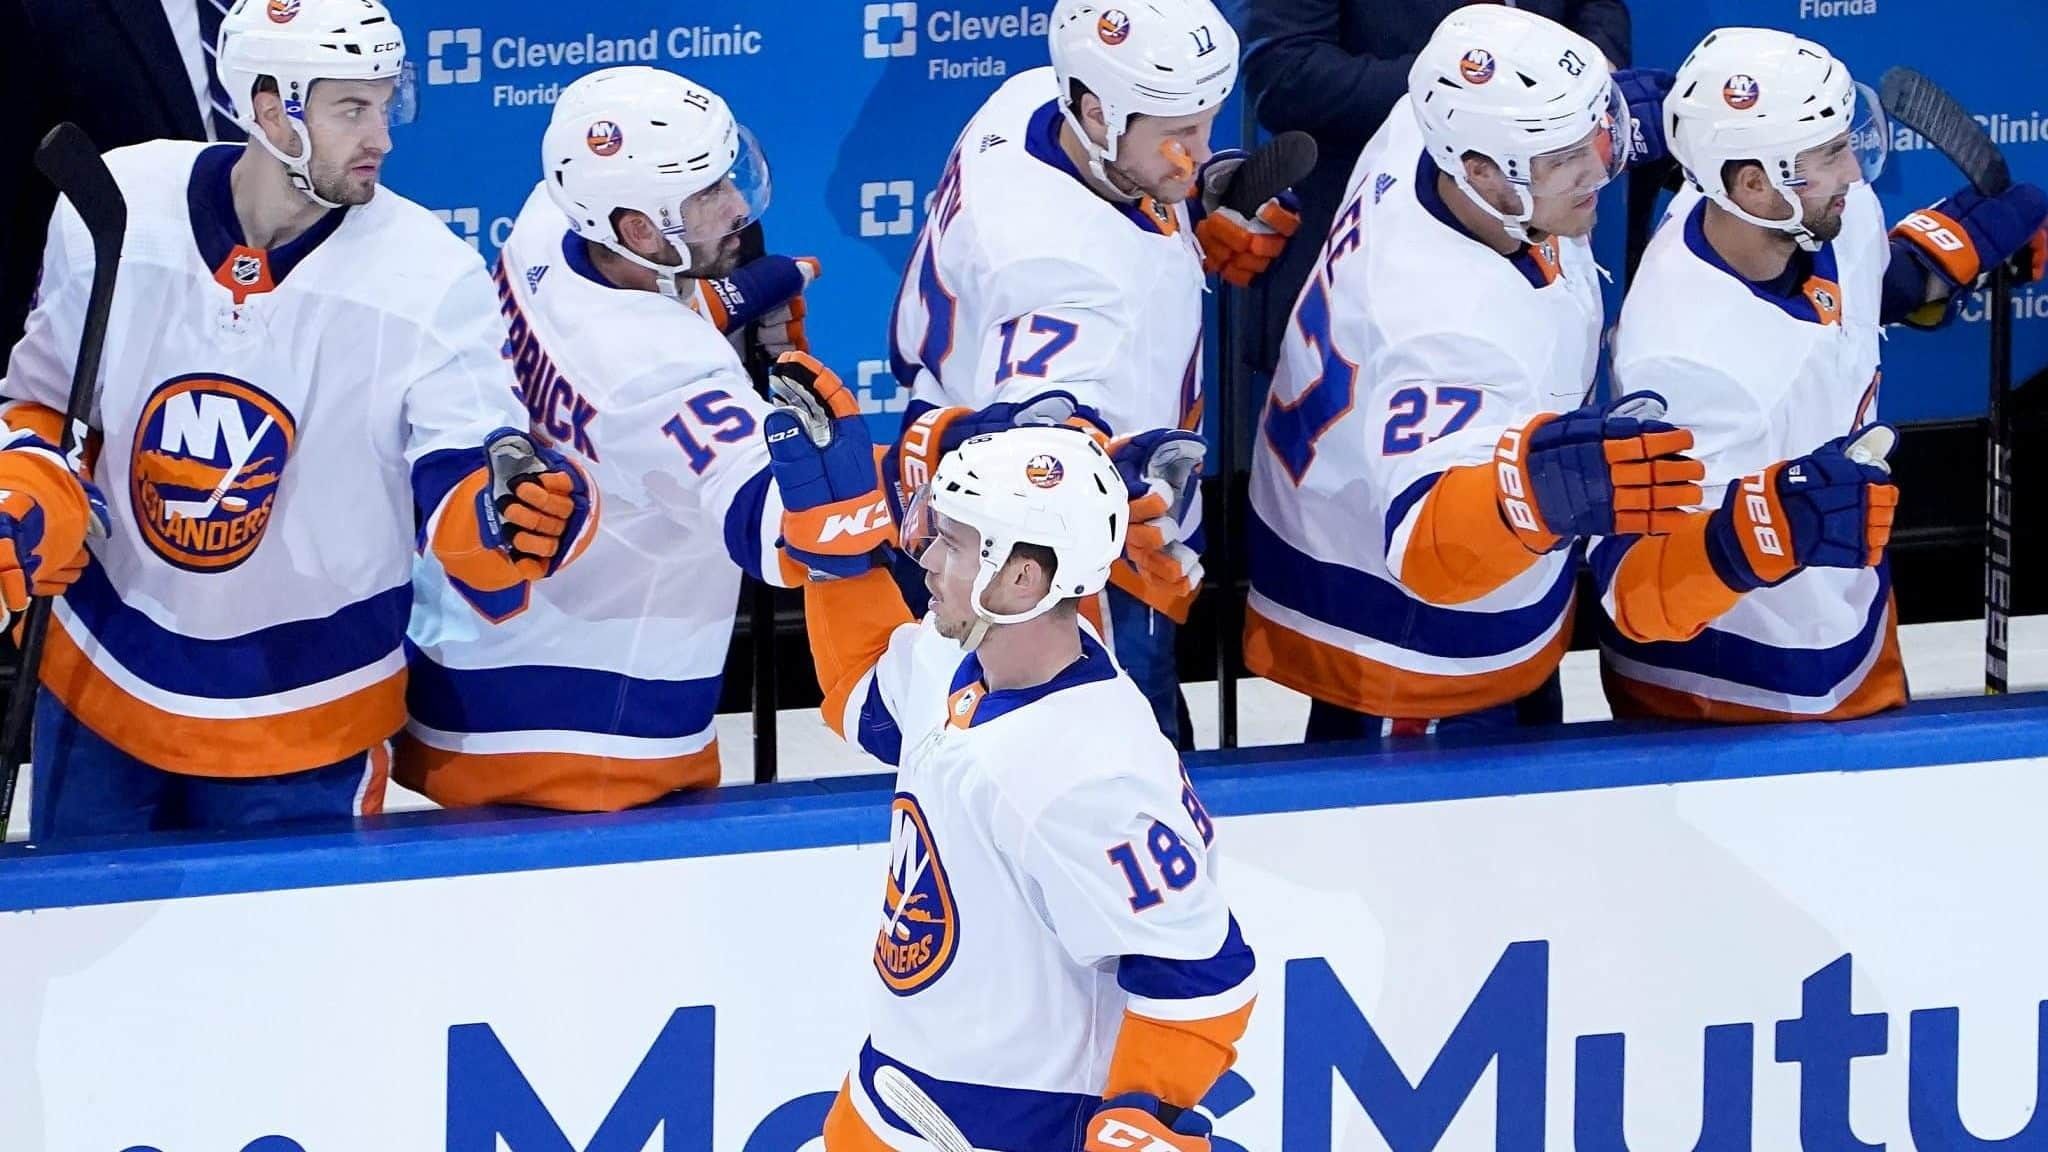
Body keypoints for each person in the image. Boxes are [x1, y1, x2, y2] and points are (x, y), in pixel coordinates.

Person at [0, 0, 591, 838]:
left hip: (306, 707)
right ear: (271, 109)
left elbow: (471, 465)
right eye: (351, 109)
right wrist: (28, 475)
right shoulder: (118, 201)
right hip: (103, 678)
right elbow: (45, 403)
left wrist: (507, 520)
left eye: (385, 103)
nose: (381, 138)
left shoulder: (431, 276)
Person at [757, 356, 1256, 1152]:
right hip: (892, 1094)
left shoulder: (1089, 771)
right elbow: (869, 695)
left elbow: (1201, 974)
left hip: (1009, 1130)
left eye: (953, 545)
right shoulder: (976, 655)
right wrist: (838, 544)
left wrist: (1140, 1117)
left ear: (1021, 577)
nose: (927, 559)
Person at [1244, 5, 1703, 742]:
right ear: (1482, 171)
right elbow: (1430, 549)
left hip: (1356, 507)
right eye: (1564, 157)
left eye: (1597, 137)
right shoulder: (1442, 325)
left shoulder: (1429, 128)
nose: (1597, 170)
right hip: (1404, 633)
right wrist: (1540, 493)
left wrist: (1588, 115)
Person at [399, 66, 845, 811]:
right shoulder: (677, 375)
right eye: (707, 194)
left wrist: (705, 306)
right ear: (638, 230)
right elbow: (793, 534)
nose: (737, 207)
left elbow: (602, 359)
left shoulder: (550, 216)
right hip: (594, 738)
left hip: (460, 664)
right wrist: (916, 459)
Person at [1591, 28, 2048, 721]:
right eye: (1830, 153)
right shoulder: (1683, 357)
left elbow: (1858, 287)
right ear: (1754, 183)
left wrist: (1945, 257)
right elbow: (1635, 594)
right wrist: (1764, 532)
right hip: (1725, 688)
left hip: (1849, 619)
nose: (1855, 173)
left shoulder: (1802, 213)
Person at [884, 0, 1302, 746]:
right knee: (1116, 762)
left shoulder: (1029, 102)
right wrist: (1117, 542)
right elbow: (1038, 472)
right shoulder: (1066, 285)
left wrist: (1191, 201)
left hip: (956, 447)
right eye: (1180, 135)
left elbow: (1118, 205)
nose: (1200, 152)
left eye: (1205, 125)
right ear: (1098, 112)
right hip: (1084, 571)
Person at [1240, 0, 1635, 376]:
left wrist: (1578, 91)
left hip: (1535, 202)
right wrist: (1473, 91)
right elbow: (1285, 74)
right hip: (1382, 241)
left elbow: (1595, 8)